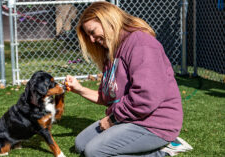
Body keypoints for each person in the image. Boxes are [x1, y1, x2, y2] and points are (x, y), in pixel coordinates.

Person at [65, 1, 192, 157]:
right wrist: (80, 89)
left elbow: (146, 97)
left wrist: (112, 120)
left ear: (107, 20)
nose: (91, 40)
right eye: (88, 35)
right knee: (81, 145)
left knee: (94, 152)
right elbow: (107, 97)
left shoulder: (140, 43)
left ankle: (164, 151)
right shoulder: (111, 51)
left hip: (154, 123)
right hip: (130, 117)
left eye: (92, 32)